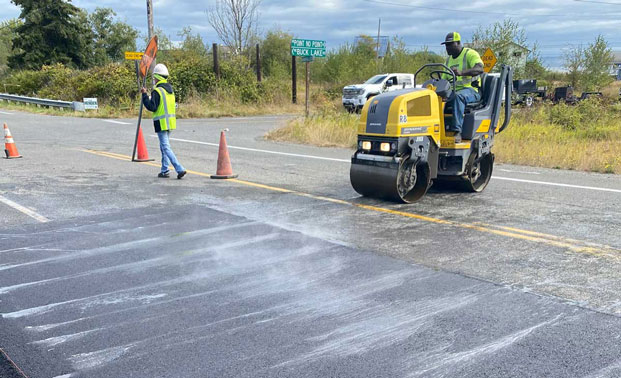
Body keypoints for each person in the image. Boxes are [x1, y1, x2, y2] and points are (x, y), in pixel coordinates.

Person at [141, 64, 186, 179]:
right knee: (163, 147)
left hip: (161, 123)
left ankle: (179, 168)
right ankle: (164, 170)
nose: (154, 80)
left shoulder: (157, 91)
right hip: (170, 123)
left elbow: (152, 107)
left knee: (165, 147)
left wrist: (144, 95)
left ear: (157, 77)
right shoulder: (170, 90)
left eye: (154, 77)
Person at [441, 32, 484, 143]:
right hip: (453, 92)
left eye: (451, 44)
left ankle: (457, 131)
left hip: (472, 91)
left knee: (458, 96)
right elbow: (443, 79)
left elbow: (480, 69)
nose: (448, 47)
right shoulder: (448, 61)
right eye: (446, 45)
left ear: (459, 43)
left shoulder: (470, 54)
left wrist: (462, 72)